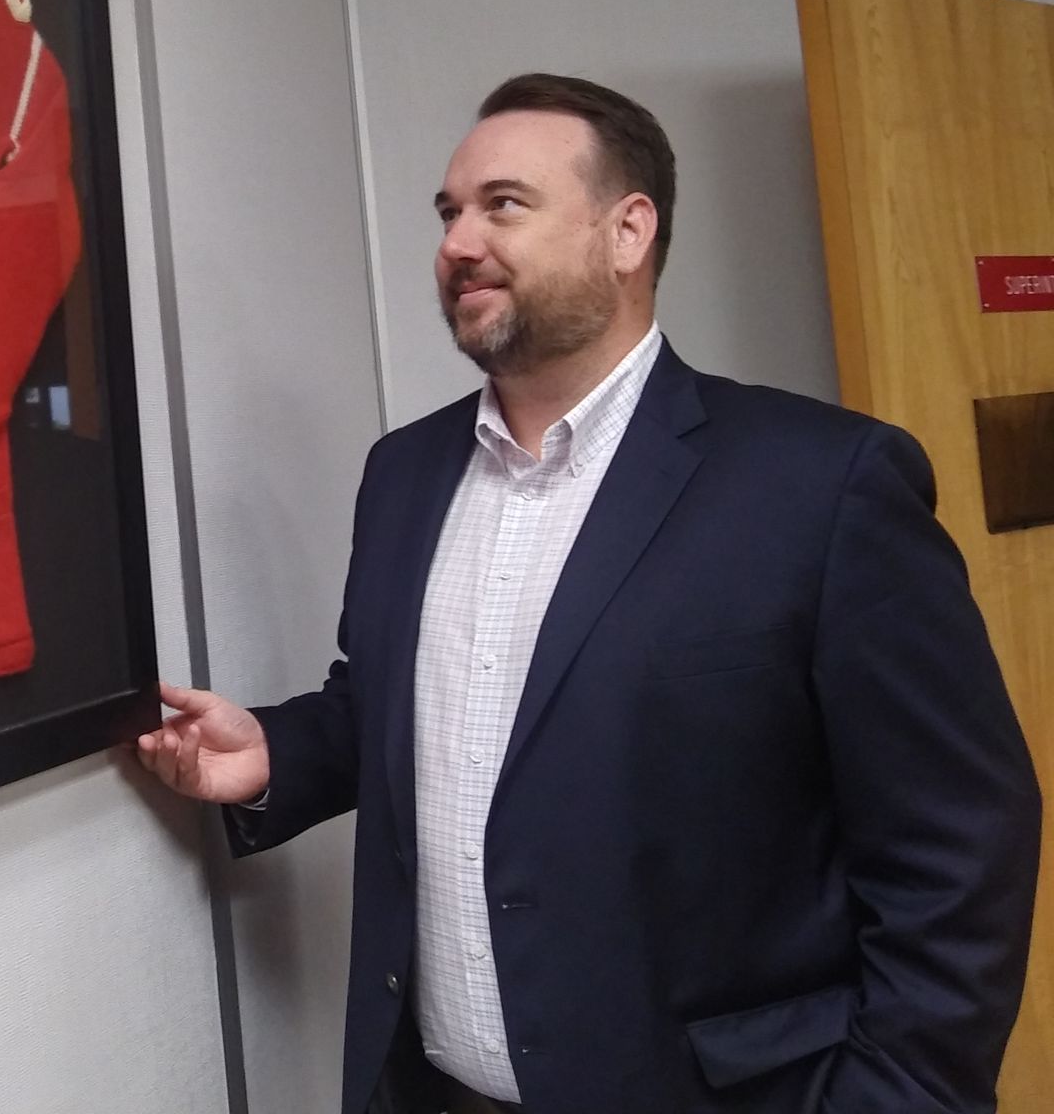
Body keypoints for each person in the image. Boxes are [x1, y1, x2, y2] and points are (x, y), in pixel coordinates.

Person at [137, 74, 1040, 1114]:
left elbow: (958, 840)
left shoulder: (820, 485)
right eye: (449, 213)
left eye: (503, 205)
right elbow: (409, 704)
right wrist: (276, 756)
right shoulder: (404, 475)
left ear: (628, 231)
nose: (458, 243)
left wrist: (903, 1096)